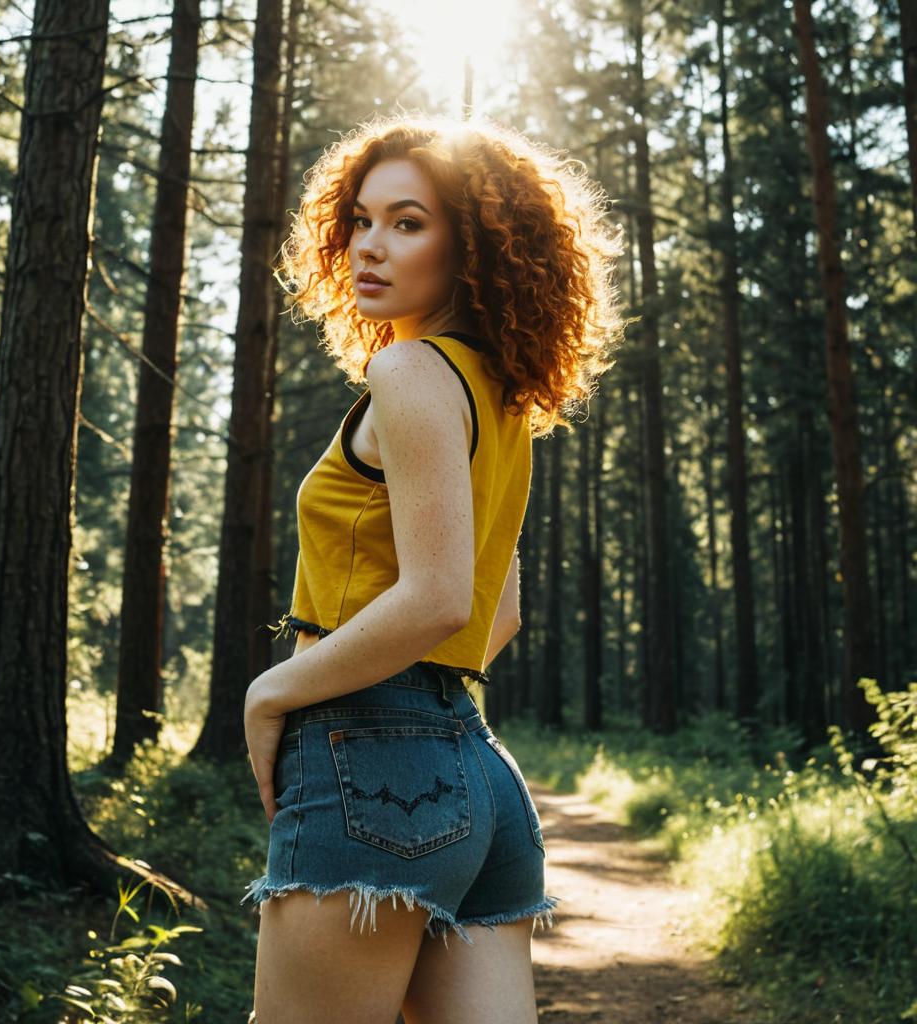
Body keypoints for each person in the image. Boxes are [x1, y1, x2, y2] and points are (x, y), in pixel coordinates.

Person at [240, 112, 624, 1023]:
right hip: (478, 771)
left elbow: (441, 596)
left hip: (371, 764)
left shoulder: (409, 370)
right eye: (363, 220)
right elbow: (499, 612)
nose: (371, 247)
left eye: (408, 223)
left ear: (475, 246)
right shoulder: (498, 399)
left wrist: (275, 691)